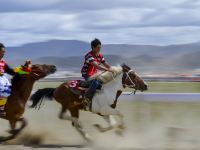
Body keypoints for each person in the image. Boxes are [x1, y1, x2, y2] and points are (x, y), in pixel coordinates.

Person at [81, 38, 113, 110]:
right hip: (87, 74)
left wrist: (113, 69)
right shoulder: (89, 56)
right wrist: (107, 70)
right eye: (98, 47)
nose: (99, 49)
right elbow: (96, 66)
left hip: (94, 74)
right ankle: (87, 98)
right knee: (96, 82)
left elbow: (105, 63)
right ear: (93, 47)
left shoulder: (100, 56)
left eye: (100, 47)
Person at [0, 43, 17, 116]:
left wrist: (23, 69)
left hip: (2, 79)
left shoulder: (3, 62)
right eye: (2, 51)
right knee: (3, 90)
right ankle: (0, 109)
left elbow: (11, 71)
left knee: (7, 91)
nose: (3, 53)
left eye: (4, 52)